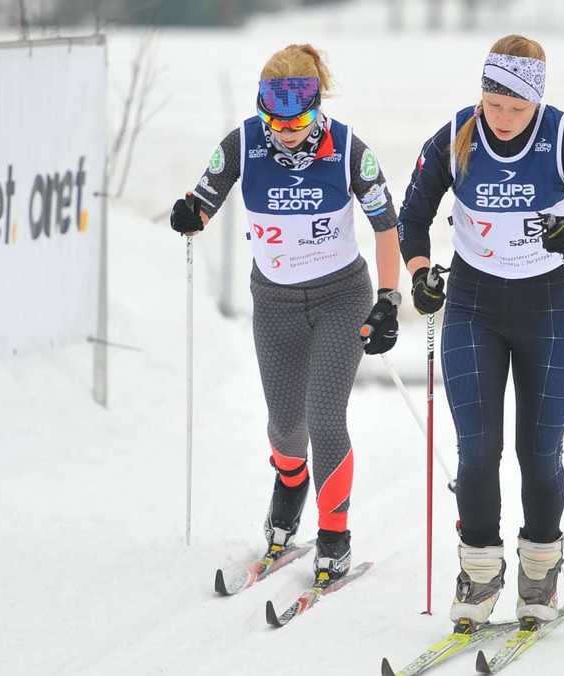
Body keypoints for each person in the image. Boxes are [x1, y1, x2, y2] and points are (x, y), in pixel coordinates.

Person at [398, 34, 564, 628]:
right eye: (493, 105)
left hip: (547, 308)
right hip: (473, 307)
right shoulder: (456, 136)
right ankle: (478, 574)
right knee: (476, 451)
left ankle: (540, 570)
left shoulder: (561, 134)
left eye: (515, 109)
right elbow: (412, 219)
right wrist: (421, 275)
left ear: (537, 103)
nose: (501, 120)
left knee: (538, 453)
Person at [169, 44, 402, 583]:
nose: (286, 131)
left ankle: (335, 534)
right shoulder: (245, 142)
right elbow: (203, 198)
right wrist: (191, 214)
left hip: (339, 298)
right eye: (275, 119)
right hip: (273, 302)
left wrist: (388, 300)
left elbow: (386, 228)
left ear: (317, 107)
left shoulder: (347, 149)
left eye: (299, 121)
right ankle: (291, 482)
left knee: (324, 418)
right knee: (284, 426)